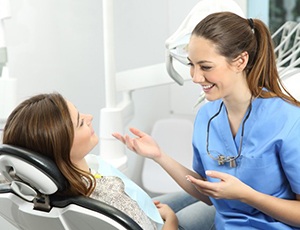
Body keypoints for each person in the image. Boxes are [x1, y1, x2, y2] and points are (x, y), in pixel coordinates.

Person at [113, 11, 300, 230]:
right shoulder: (207, 116)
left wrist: (247, 195)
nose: (195, 77)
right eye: (191, 64)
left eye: (206, 67)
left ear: (240, 61)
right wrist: (159, 156)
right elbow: (209, 192)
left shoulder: (287, 119)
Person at [2, 93, 178, 230]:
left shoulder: (43, 195)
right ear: (63, 148)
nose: (90, 117)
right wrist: (172, 219)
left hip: (141, 211)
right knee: (205, 204)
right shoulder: (110, 197)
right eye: (80, 122)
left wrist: (134, 206)